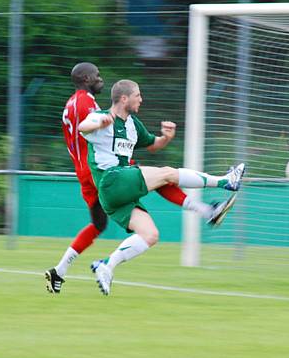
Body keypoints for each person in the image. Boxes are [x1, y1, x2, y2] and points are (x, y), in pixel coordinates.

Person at [45, 62, 235, 294]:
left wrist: (163, 138)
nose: (100, 78)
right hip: (101, 171)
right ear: (86, 79)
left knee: (111, 225)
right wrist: (101, 122)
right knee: (163, 175)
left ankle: (65, 270)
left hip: (94, 171)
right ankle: (218, 193)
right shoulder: (86, 101)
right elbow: (86, 126)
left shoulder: (79, 104)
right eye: (97, 75)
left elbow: (149, 143)